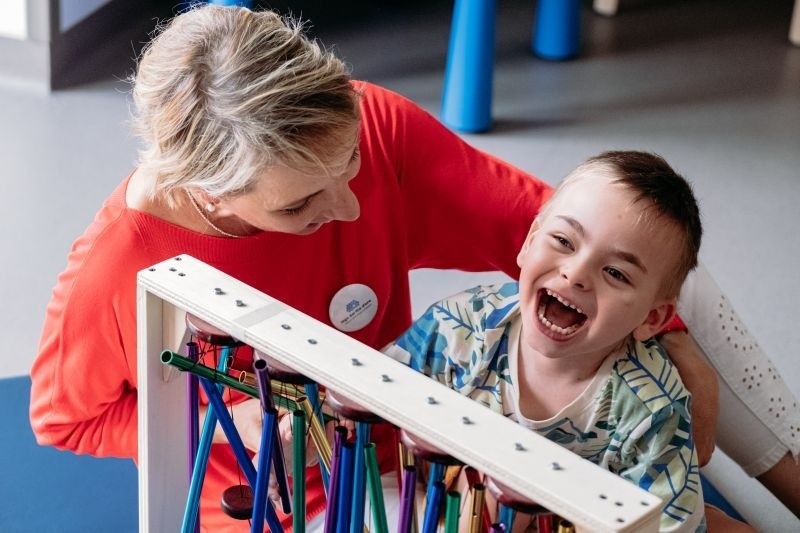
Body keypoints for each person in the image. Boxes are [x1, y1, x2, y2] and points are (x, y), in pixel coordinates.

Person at [27, 4, 797, 532]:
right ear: (212, 192)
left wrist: (678, 337)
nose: (350, 207)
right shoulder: (116, 263)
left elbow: (565, 233)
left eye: (349, 165)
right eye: (301, 205)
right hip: (286, 497)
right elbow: (65, 418)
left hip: (415, 458)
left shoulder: (376, 126)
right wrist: (228, 422)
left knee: (650, 251)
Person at [383, 151, 732, 532]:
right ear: (529, 242)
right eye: (564, 241)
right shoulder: (459, 327)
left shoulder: (653, 410)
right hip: (455, 500)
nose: (576, 273)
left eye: (616, 273)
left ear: (651, 319)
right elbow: (372, 393)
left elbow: (673, 526)